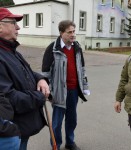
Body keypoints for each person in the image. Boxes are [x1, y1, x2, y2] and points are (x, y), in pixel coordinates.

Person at [0, 7, 50, 150]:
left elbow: (28, 72)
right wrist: (40, 97)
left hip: (23, 127)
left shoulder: (11, 50)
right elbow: (8, 98)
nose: (18, 27)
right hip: (12, 131)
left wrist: (41, 79)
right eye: (13, 22)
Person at [42, 20, 90, 150]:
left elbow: (82, 69)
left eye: (74, 31)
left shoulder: (77, 48)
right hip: (58, 92)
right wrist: (47, 91)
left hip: (74, 90)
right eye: (70, 32)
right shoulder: (52, 49)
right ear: (61, 33)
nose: (73, 34)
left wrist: (85, 87)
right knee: (57, 123)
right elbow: (45, 73)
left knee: (72, 119)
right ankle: (56, 144)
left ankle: (70, 142)